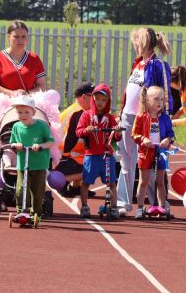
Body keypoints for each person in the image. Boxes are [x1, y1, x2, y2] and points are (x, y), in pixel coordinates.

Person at [117, 27, 172, 212]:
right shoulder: (138, 64)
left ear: (143, 43)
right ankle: (124, 201)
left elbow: (163, 93)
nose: (134, 46)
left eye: (136, 43)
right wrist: (121, 114)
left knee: (148, 160)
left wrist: (163, 120)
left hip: (147, 120)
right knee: (126, 159)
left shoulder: (157, 65)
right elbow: (129, 92)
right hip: (128, 116)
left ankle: (156, 202)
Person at [75, 84, 123, 218]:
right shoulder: (86, 115)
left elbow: (117, 138)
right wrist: (87, 130)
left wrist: (118, 132)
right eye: (98, 99)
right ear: (93, 99)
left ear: (108, 102)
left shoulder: (111, 118)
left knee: (111, 182)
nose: (100, 102)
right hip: (91, 156)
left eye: (103, 100)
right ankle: (84, 206)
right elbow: (78, 132)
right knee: (86, 183)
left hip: (107, 156)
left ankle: (113, 207)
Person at [131, 86, 175, 219]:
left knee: (160, 182)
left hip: (160, 152)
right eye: (156, 99)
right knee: (143, 181)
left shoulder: (165, 118)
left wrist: (168, 139)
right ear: (148, 100)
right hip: (145, 152)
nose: (160, 102)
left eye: (162, 99)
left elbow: (171, 134)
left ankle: (161, 207)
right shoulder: (141, 117)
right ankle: (139, 208)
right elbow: (134, 134)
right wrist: (143, 139)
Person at [9, 95, 54, 217]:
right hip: (23, 163)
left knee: (37, 191)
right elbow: (11, 142)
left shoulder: (42, 126)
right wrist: (16, 145)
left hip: (39, 163)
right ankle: (21, 212)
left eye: (26, 112)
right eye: (20, 112)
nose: (23, 115)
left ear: (33, 112)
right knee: (20, 189)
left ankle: (36, 213)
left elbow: (51, 142)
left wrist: (40, 146)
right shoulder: (16, 127)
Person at [0, 20, 46, 97]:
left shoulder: (34, 58)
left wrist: (26, 94)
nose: (20, 40)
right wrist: (13, 94)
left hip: (28, 104)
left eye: (23, 36)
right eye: (16, 36)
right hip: (4, 105)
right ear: (8, 37)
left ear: (27, 37)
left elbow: (42, 86)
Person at [56, 82, 94, 197]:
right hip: (64, 159)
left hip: (63, 156)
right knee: (97, 162)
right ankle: (61, 181)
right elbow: (71, 141)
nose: (96, 100)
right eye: (94, 96)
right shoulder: (78, 113)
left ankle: (75, 187)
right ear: (84, 97)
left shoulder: (73, 109)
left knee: (85, 154)